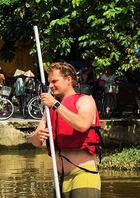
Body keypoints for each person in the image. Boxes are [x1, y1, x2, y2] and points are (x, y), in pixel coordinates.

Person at [30, 62, 101, 198]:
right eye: (49, 82)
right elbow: (35, 142)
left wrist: (56, 104)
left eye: (55, 81)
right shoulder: (49, 109)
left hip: (83, 173)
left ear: (68, 80)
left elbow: (82, 125)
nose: (50, 86)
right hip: (60, 178)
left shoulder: (85, 100)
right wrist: (37, 136)